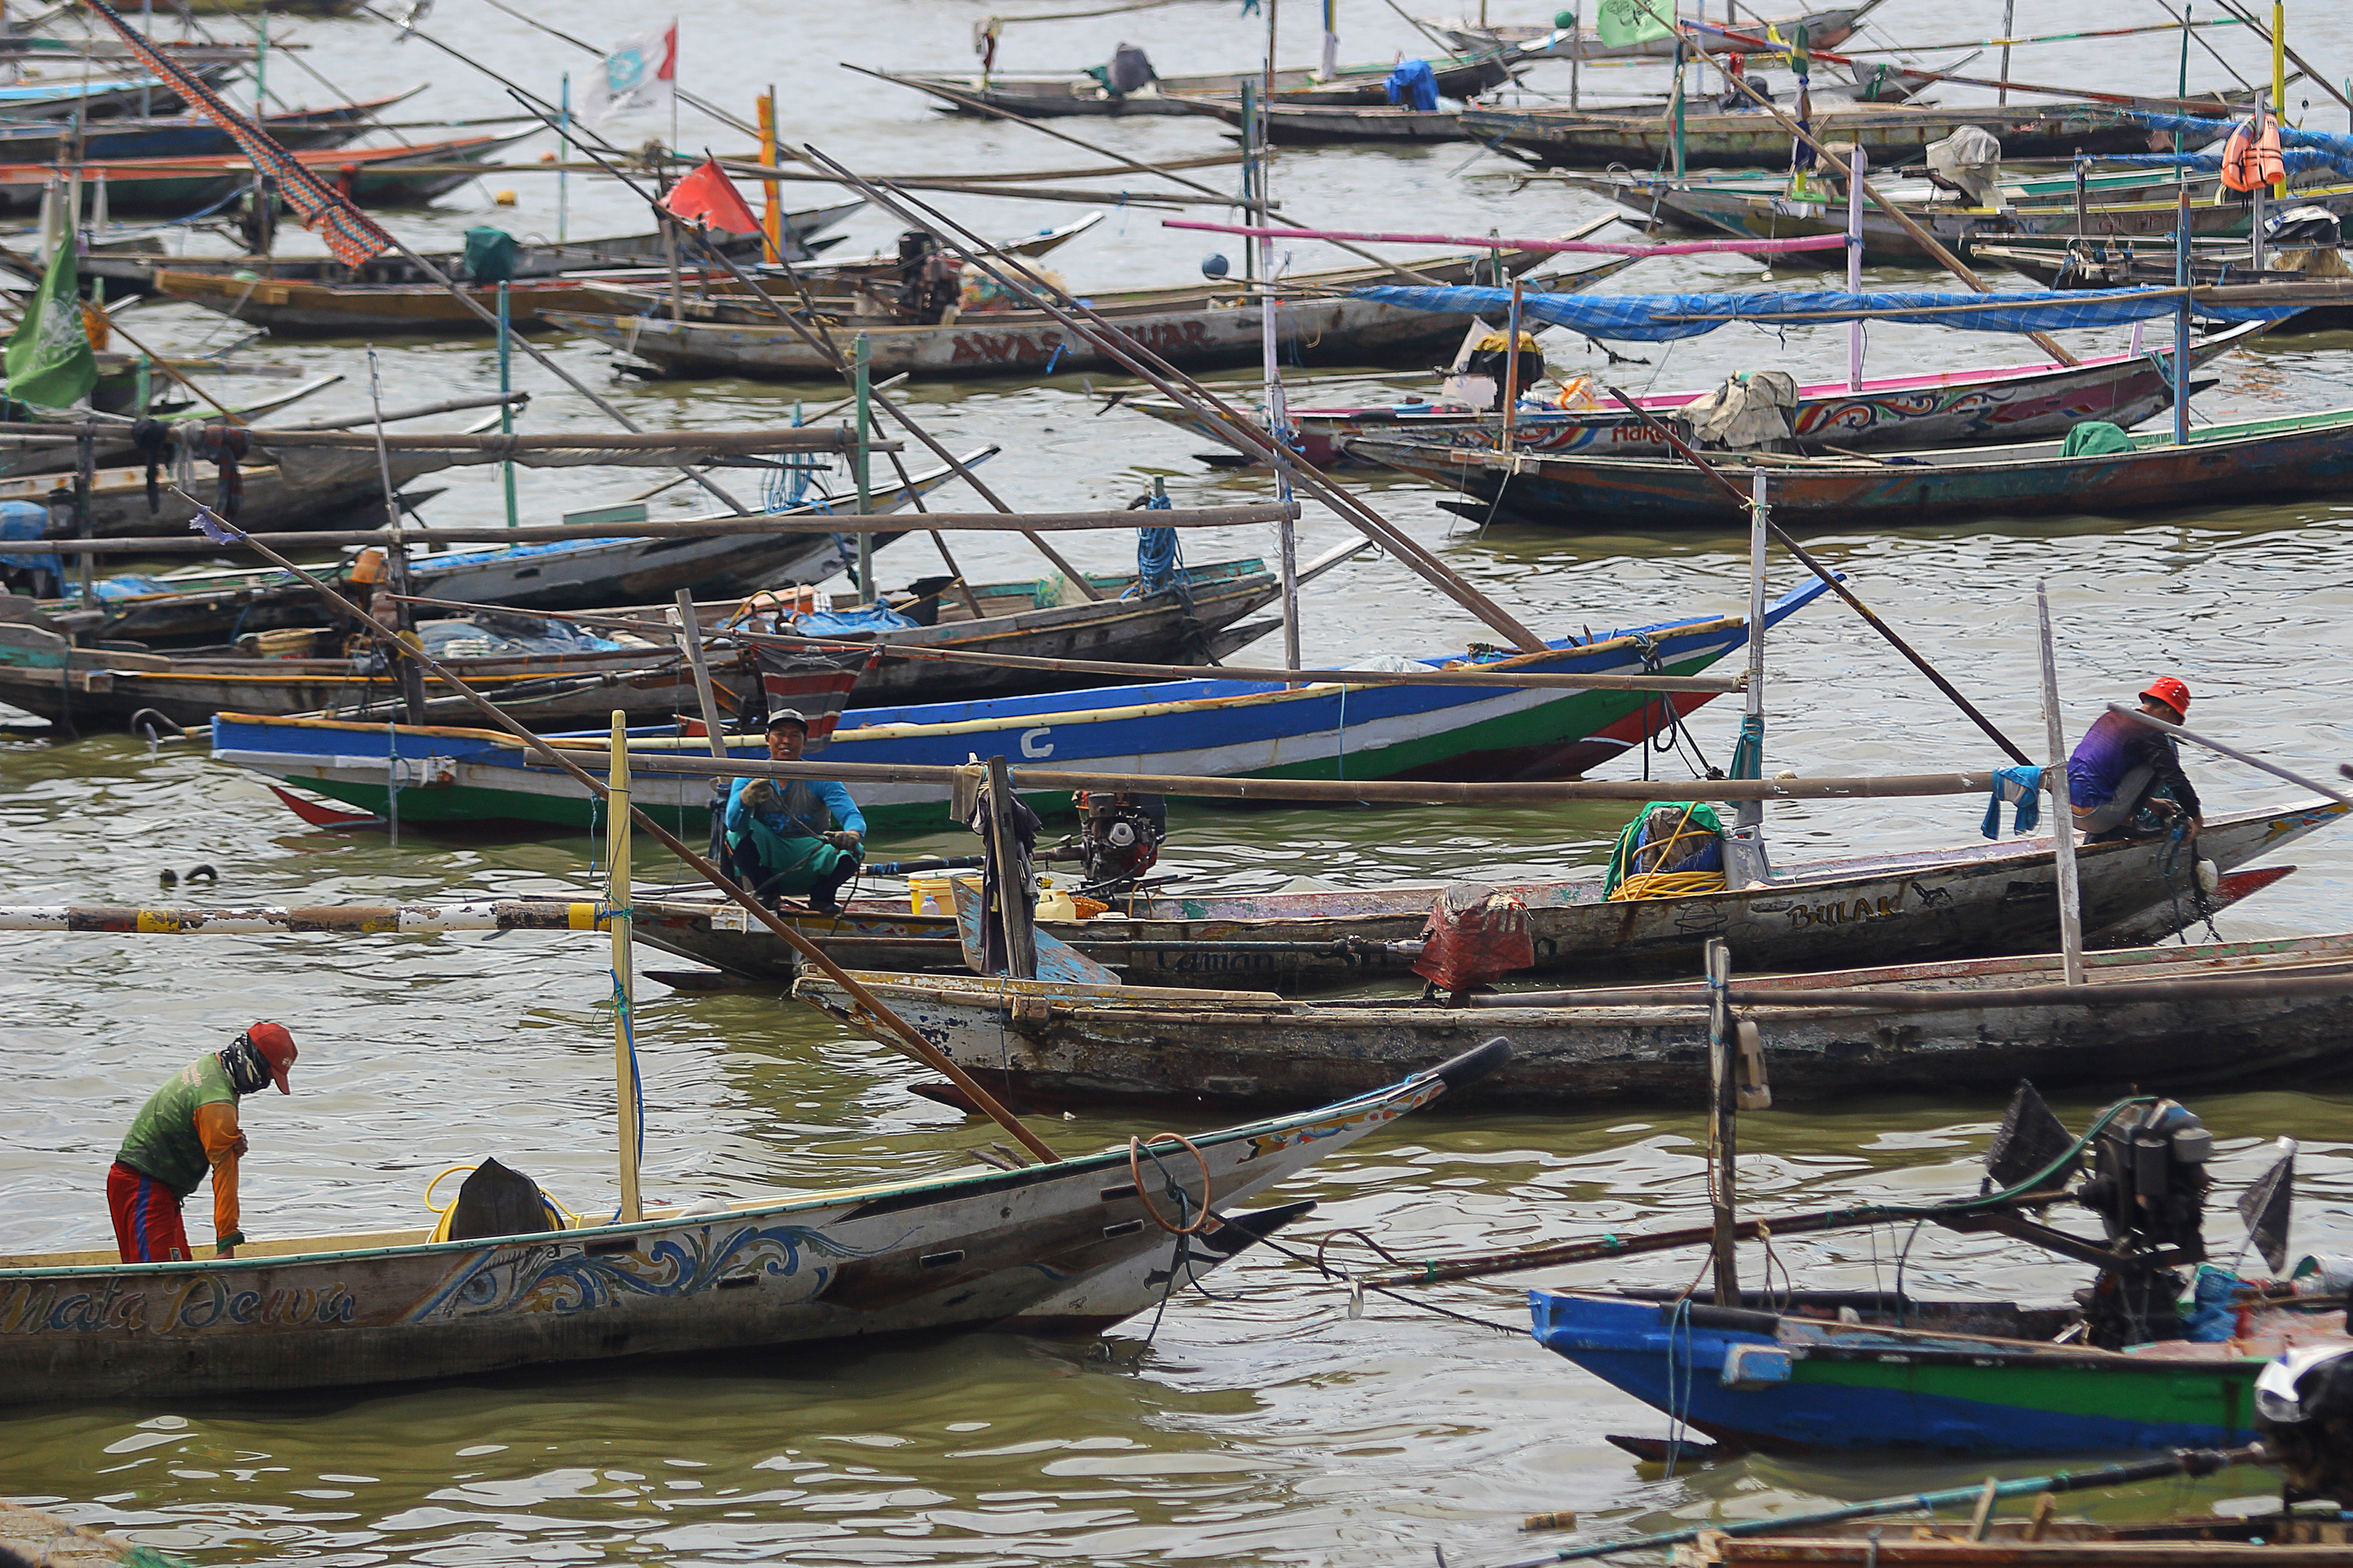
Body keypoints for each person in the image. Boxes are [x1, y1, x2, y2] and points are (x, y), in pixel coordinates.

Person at [109, 1022, 297, 1264]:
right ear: (254, 1063)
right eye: (269, 1076)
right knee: (162, 1277)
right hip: (143, 1186)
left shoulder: (212, 1067)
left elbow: (198, 1123)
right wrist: (226, 1243)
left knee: (178, 1269)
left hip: (154, 1187)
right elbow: (225, 1174)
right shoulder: (218, 1101)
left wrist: (227, 1139)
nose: (264, 1085)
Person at [723, 709, 866, 911]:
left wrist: (853, 833)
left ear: (804, 742)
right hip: (770, 861)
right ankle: (767, 894)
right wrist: (744, 800)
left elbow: (851, 815)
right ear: (767, 739)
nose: (786, 741)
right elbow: (733, 823)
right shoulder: (748, 777)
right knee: (734, 836)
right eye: (780, 734)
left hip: (812, 858)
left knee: (855, 849)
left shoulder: (822, 778)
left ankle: (822, 898)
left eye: (794, 735)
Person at [2067, 676, 2204, 844]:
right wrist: (2197, 819)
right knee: (2168, 748)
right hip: (2098, 817)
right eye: (2176, 721)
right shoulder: (2150, 731)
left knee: (2137, 757)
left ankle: (2116, 823)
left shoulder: (2110, 717)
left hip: (2068, 812)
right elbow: (2175, 778)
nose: (2173, 726)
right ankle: (2124, 823)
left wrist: (2149, 803)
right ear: (2168, 711)